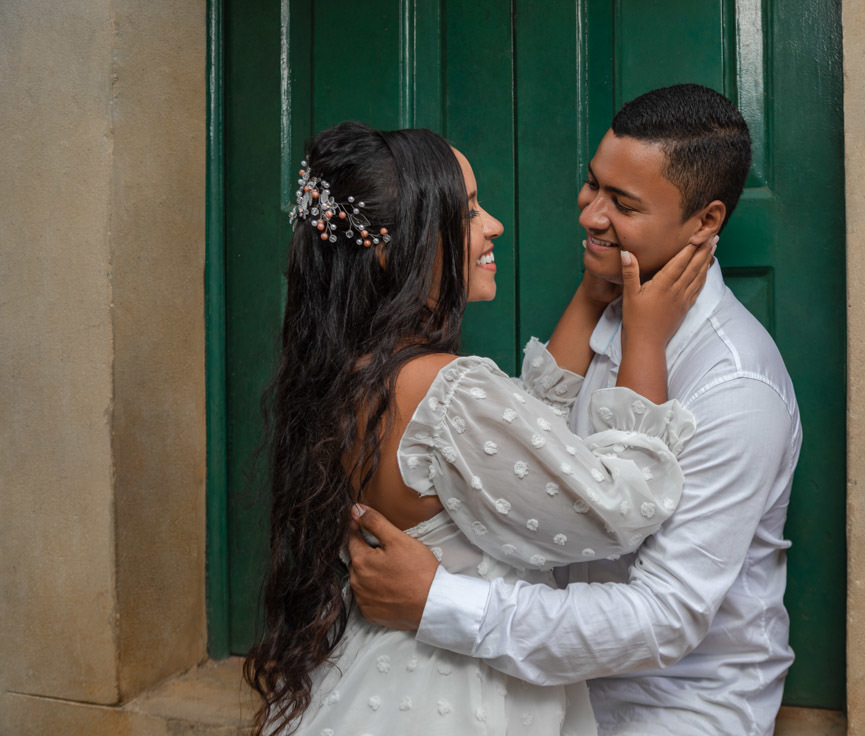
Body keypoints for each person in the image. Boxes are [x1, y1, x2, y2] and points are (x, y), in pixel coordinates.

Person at [348, 85, 803, 735]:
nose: (590, 215)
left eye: (623, 203)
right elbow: (526, 454)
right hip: (543, 676)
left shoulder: (737, 389)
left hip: (673, 703)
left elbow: (664, 619)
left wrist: (436, 600)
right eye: (592, 185)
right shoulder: (605, 307)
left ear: (705, 222)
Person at [242, 121, 716, 735]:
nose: (491, 224)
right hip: (460, 697)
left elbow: (521, 452)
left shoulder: (353, 374)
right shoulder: (447, 390)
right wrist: (645, 341)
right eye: (466, 212)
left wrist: (593, 297)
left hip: (375, 681)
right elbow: (618, 507)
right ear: (391, 246)